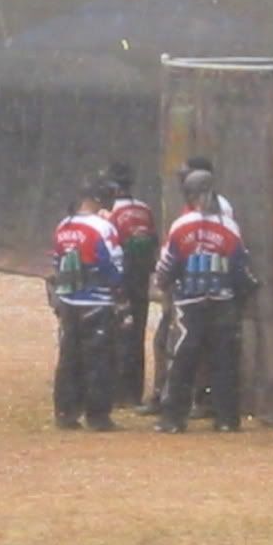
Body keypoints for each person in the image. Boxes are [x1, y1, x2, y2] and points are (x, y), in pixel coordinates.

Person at [153, 170, 258, 433]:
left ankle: (173, 419)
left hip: (189, 304)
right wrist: (244, 291)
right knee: (224, 360)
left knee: (183, 360)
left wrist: (163, 284)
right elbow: (240, 266)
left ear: (188, 195)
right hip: (223, 302)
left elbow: (167, 264)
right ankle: (226, 419)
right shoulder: (229, 226)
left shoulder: (181, 225)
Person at [138, 156, 236, 416]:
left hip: (201, 289)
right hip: (190, 286)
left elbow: (216, 249)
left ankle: (194, 402)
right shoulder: (195, 212)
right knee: (171, 342)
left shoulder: (219, 211)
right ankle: (168, 397)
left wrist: (164, 278)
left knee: (190, 348)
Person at [48, 174, 125, 432]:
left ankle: (65, 412)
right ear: (96, 198)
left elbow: (57, 262)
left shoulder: (64, 226)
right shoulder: (103, 228)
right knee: (99, 359)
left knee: (69, 356)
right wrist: (119, 292)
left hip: (69, 301)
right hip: (97, 302)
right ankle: (97, 415)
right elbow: (112, 265)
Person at [104, 161, 158, 407]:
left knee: (117, 333)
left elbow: (111, 249)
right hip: (141, 280)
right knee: (137, 334)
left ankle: (118, 392)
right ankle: (134, 392)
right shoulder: (144, 209)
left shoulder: (110, 214)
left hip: (121, 281)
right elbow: (153, 240)